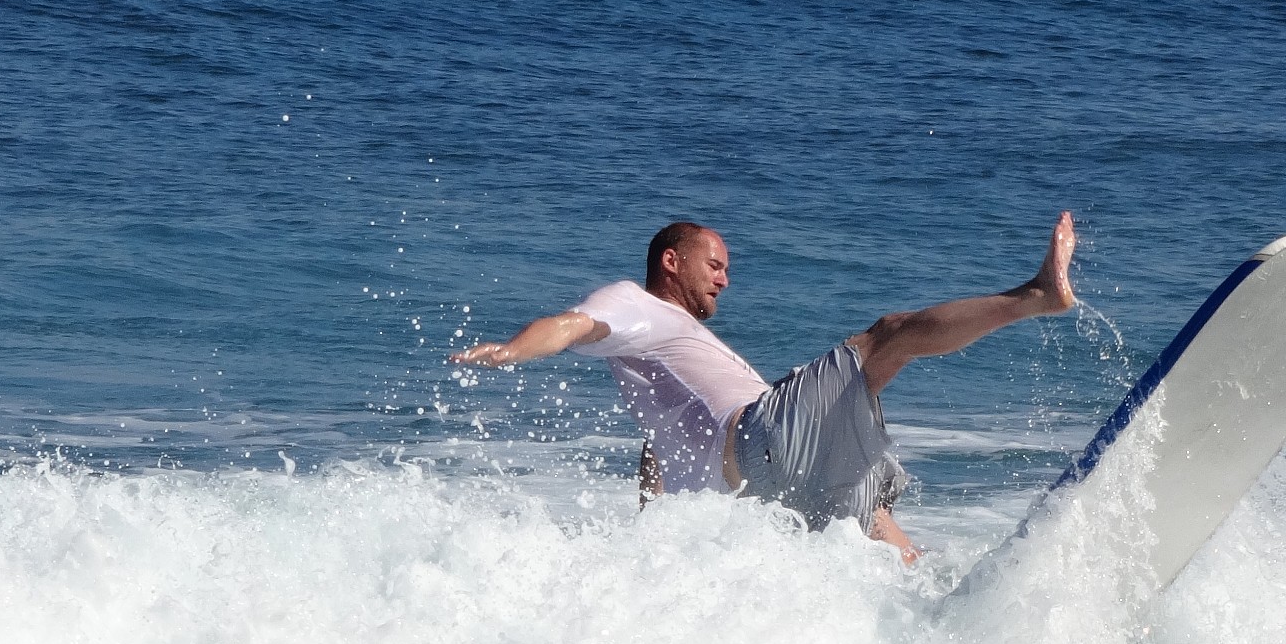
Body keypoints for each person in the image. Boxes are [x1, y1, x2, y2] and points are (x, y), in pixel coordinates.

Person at [451, 213, 1077, 559]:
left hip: (768, 488)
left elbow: (657, 456)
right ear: (673, 261)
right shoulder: (638, 305)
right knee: (885, 338)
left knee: (872, 509)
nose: (724, 280)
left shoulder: (663, 360)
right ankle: (1034, 296)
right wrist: (512, 350)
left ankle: (932, 602)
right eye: (715, 265)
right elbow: (573, 324)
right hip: (762, 442)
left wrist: (649, 553)